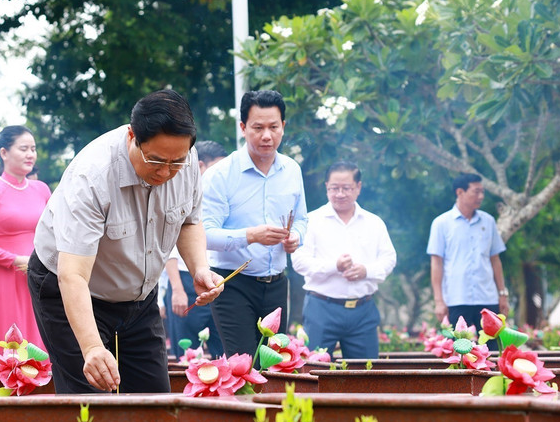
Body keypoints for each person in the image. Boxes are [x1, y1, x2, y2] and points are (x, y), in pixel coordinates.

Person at [27, 89, 224, 394]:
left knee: (154, 401)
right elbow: (73, 275)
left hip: (138, 297)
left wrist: (199, 267)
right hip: (73, 290)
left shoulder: (184, 162)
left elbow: (188, 220)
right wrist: (92, 348)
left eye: (176, 162)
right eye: (156, 160)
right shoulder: (92, 177)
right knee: (89, 401)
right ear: (132, 136)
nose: (165, 172)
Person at [202, 90, 308, 357]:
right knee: (244, 363)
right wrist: (251, 235)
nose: (266, 136)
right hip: (233, 283)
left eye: (274, 127)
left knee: (275, 365)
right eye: (257, 127)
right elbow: (204, 234)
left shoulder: (292, 169)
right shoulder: (220, 175)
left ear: (283, 126)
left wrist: (296, 236)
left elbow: (303, 219)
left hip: (277, 284)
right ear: (243, 128)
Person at [292, 161, 396, 359]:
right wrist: (334, 266)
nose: (340, 194)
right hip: (321, 307)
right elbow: (298, 261)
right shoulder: (311, 221)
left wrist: (366, 271)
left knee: (365, 374)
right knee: (313, 370)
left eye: (346, 188)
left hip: (362, 310)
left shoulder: (374, 223)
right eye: (334, 188)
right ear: (326, 188)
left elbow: (389, 258)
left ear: (358, 187)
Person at [0, 126, 51, 368]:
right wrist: (13, 260)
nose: (30, 154)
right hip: (4, 275)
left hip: (38, 275)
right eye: (24, 148)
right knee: (11, 343)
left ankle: (45, 398)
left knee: (42, 339)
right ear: (4, 153)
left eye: (33, 149)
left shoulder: (42, 189)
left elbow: (53, 232)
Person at [163, 140, 227, 358]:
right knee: (187, 352)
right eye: (217, 168)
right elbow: (168, 246)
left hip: (215, 280)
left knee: (222, 351)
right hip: (185, 282)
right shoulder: (177, 190)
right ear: (200, 166)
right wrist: (177, 289)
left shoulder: (222, 196)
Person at [428, 172, 509, 329]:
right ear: (460, 192)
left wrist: (502, 294)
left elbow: (495, 260)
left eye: (482, 192)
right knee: (459, 349)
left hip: (487, 298)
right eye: (476, 191)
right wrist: (439, 300)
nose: (481, 196)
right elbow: (436, 263)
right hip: (456, 298)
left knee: (492, 349)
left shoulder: (489, 221)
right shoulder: (441, 224)